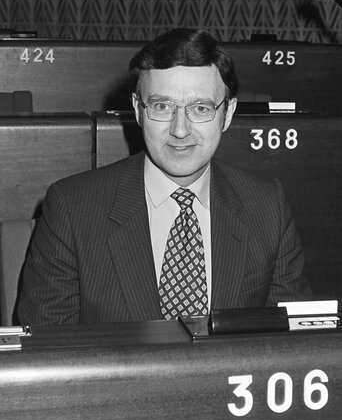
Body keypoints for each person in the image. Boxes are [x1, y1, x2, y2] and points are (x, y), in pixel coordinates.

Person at [17, 28, 311, 325]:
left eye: (200, 108)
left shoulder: (267, 204)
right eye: (162, 106)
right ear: (138, 109)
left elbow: (294, 341)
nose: (180, 130)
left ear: (228, 113)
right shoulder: (72, 207)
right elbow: (46, 349)